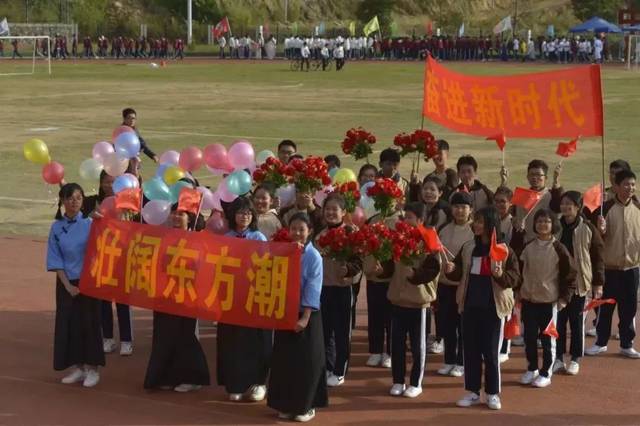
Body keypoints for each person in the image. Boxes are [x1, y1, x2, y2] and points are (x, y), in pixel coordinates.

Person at [447, 206, 520, 411]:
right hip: (470, 306)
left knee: (490, 353)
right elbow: (459, 272)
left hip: (493, 308)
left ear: (490, 224)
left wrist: (499, 276)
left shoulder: (504, 250)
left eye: (480, 221)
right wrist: (451, 270)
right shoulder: (469, 246)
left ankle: (492, 393)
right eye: (475, 221)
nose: (475, 225)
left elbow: (514, 278)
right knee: (470, 351)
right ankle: (472, 392)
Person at [267, 213, 328, 422]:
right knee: (285, 361)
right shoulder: (284, 252)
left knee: (307, 362)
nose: (297, 233)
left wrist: (305, 318)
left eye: (301, 229)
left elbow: (313, 287)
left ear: (309, 231)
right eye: (294, 229)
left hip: (307, 316)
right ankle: (285, 404)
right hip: (285, 313)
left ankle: (306, 406)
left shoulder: (314, 256)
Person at [143, 202, 210, 392]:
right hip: (164, 294)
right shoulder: (164, 237)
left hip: (186, 295)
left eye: (181, 214)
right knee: (164, 334)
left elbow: (202, 268)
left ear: (190, 218)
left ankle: (194, 377)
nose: (176, 217)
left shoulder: (197, 240)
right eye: (174, 213)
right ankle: (166, 377)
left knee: (184, 336)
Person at [47, 183, 105, 387]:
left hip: (88, 282)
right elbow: (55, 259)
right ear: (62, 201)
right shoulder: (56, 227)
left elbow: (103, 249)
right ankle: (78, 367)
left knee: (89, 324)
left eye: (79, 198)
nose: (75, 202)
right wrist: (68, 286)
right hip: (66, 283)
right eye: (70, 198)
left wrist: (103, 223)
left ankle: (93, 369)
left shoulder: (91, 224)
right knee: (69, 325)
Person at [217, 197, 272, 401]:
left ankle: (258, 382)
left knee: (255, 341)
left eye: (248, 213)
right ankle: (235, 383)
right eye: (241, 212)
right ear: (233, 215)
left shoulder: (258, 238)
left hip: (253, 298)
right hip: (232, 298)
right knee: (233, 341)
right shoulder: (227, 237)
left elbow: (266, 266)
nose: (244, 216)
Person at [516, 209, 576, 388]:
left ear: (553, 225)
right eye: (539, 221)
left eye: (547, 222)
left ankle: (545, 372)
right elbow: (518, 270)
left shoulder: (559, 248)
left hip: (549, 303)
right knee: (528, 337)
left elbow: (570, 275)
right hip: (529, 300)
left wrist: (564, 299)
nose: (543, 224)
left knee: (548, 339)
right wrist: (518, 291)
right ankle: (532, 368)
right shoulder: (528, 246)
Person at [388, 202, 440, 398]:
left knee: (418, 346)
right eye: (404, 217)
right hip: (398, 300)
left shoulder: (428, 243)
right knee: (397, 344)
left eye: (410, 217)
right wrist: (380, 269)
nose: (406, 221)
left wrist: (415, 274)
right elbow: (390, 267)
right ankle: (398, 380)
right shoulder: (397, 240)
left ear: (420, 220)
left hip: (419, 303)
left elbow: (433, 270)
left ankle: (416, 383)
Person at [586, 170, 640, 359]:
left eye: (633, 184)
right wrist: (601, 231)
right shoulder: (605, 209)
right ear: (616, 186)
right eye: (626, 184)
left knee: (629, 308)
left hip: (632, 268)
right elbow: (595, 240)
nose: (630, 188)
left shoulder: (638, 207)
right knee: (604, 308)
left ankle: (627, 344)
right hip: (609, 268)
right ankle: (601, 342)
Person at [81, 171, 134, 356]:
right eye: (105, 181)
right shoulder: (92, 202)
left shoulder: (127, 203)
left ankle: (126, 340)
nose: (109, 185)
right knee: (103, 301)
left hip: (121, 258)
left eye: (112, 182)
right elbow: (81, 217)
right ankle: (108, 339)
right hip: (101, 257)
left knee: (122, 301)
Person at [552, 191, 604, 376]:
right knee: (558, 323)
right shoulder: (555, 226)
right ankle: (557, 358)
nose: (565, 207)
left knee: (576, 324)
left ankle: (575, 358)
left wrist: (598, 283)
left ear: (578, 207)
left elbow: (597, 257)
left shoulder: (588, 228)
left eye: (570, 204)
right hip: (558, 282)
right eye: (563, 203)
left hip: (580, 283)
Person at [316, 193, 362, 387]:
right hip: (323, 289)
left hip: (343, 289)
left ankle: (339, 370)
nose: (331, 213)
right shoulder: (319, 236)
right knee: (324, 332)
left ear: (344, 212)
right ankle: (327, 366)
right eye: (328, 209)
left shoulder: (351, 234)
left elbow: (358, 262)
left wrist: (348, 270)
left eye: (335, 209)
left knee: (342, 332)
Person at [437, 192, 474, 378]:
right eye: (456, 206)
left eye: (464, 207)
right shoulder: (444, 229)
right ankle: (449, 360)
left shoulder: (474, 230)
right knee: (448, 325)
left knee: (464, 326)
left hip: (465, 285)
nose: (460, 210)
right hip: (445, 284)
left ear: (470, 210)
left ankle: (462, 361)